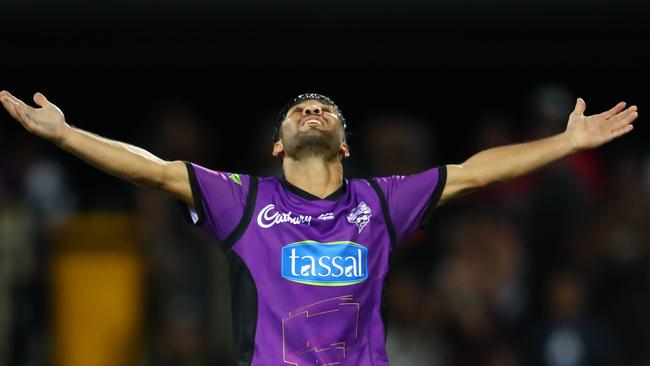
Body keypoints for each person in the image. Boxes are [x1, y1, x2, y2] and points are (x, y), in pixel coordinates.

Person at [0, 90, 638, 366]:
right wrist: (66, 134)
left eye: (324, 108)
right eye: (299, 109)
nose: (311, 109)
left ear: (344, 144)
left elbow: (472, 174)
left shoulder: (380, 204)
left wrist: (566, 142)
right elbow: (155, 171)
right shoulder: (245, 201)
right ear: (278, 145)